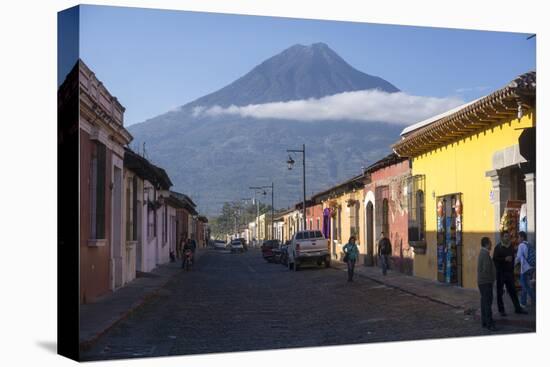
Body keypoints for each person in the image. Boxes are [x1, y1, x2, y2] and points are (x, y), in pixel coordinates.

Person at [493, 231, 527, 316]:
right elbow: (495, 260)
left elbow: (513, 258)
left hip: (509, 273)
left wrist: (512, 267)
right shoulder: (498, 247)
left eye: (508, 236)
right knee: (500, 293)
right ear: (502, 238)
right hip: (500, 273)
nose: (507, 238)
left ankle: (518, 308)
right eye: (505, 236)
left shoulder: (511, 247)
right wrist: (504, 259)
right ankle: (501, 310)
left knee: (513, 291)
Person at [478, 236, 497, 331]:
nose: (491, 244)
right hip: (486, 282)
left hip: (483, 282)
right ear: (486, 244)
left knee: (484, 302)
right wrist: (492, 280)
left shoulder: (483, 253)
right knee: (487, 303)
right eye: (490, 243)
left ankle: (485, 322)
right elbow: (486, 270)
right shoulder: (485, 254)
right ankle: (489, 323)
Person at [515, 231, 535, 308]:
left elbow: (518, 257)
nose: (518, 239)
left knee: (525, 286)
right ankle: (525, 302)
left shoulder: (521, 245)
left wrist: (512, 265)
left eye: (519, 237)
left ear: (522, 237)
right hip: (531, 267)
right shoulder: (529, 244)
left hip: (525, 269)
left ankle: (526, 302)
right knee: (526, 286)